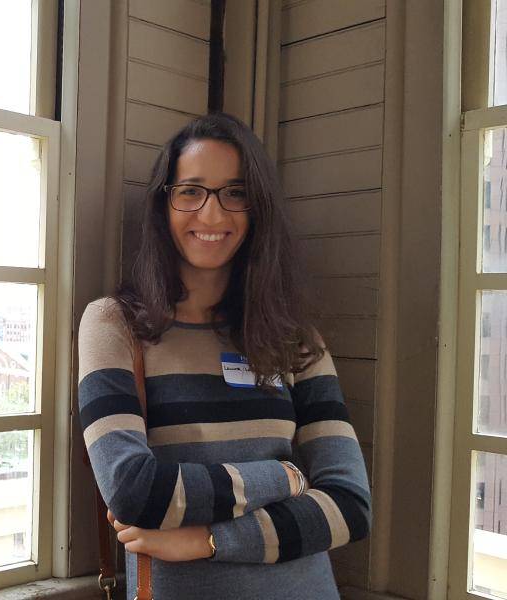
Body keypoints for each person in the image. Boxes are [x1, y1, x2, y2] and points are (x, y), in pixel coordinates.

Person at [77, 112, 372, 600]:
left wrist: (206, 540)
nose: (212, 215)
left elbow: (351, 505)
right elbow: (133, 492)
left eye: (235, 194)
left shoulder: (294, 337)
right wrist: (284, 476)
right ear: (163, 203)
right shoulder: (114, 325)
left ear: (257, 209)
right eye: (191, 191)